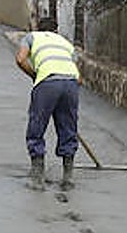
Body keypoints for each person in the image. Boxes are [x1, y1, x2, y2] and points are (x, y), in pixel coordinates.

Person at [14, 16, 81, 190]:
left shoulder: (31, 37)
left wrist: (35, 75)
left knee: (37, 125)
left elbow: (21, 59)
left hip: (47, 83)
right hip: (71, 83)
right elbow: (76, 72)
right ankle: (68, 177)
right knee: (68, 127)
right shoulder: (66, 42)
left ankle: (38, 178)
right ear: (55, 30)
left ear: (38, 28)